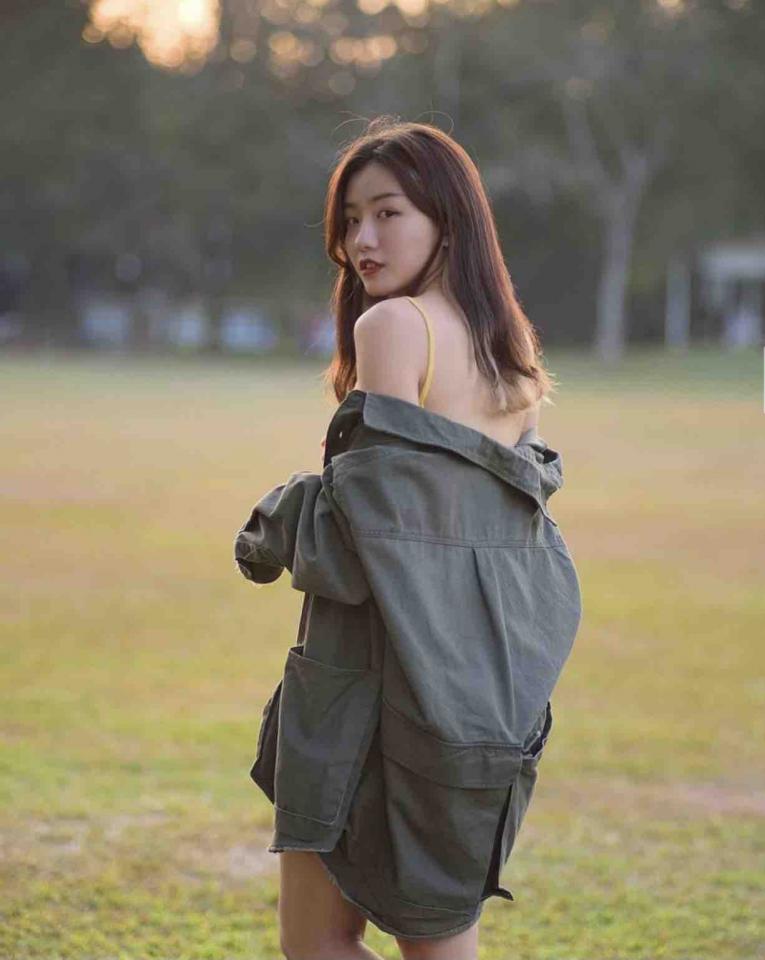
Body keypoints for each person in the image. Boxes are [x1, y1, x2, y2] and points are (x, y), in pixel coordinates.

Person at [235, 117, 581, 960]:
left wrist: (277, 518)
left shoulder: (393, 327)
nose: (362, 240)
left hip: (369, 675)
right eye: (351, 220)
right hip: (475, 681)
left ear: (446, 219)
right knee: (436, 940)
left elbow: (373, 535)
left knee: (317, 942)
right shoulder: (510, 350)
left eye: (388, 213)